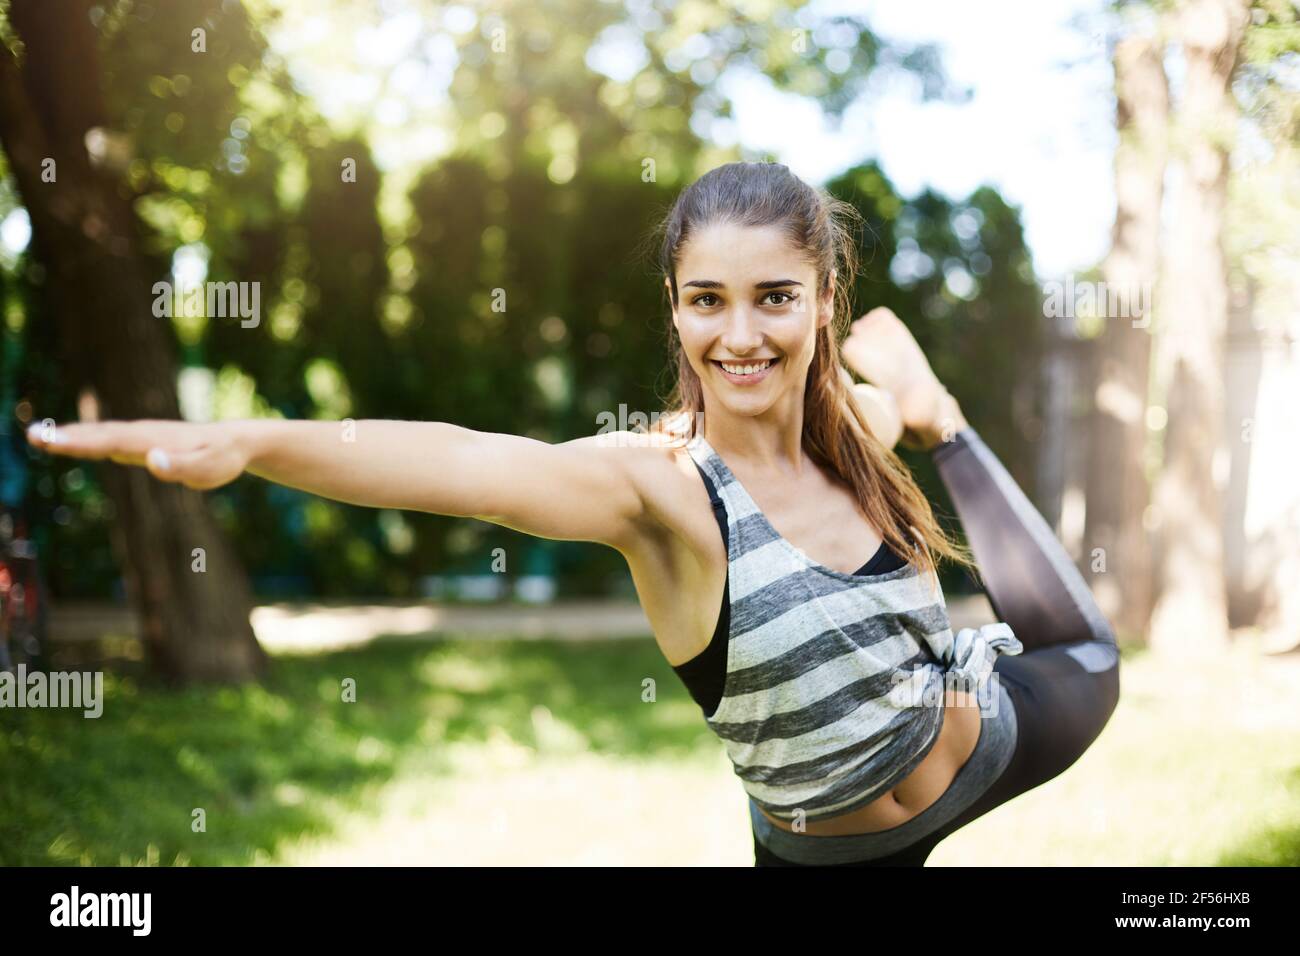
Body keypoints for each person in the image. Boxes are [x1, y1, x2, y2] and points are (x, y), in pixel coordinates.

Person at [26, 161, 1119, 866]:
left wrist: (917, 412)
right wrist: (258, 443)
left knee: (1089, 651)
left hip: (974, 740)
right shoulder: (661, 490)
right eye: (707, 299)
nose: (740, 335)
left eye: (775, 297)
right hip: (825, 850)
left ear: (823, 300)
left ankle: (948, 418)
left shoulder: (848, 431)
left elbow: (848, 402)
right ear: (676, 310)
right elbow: (464, 462)